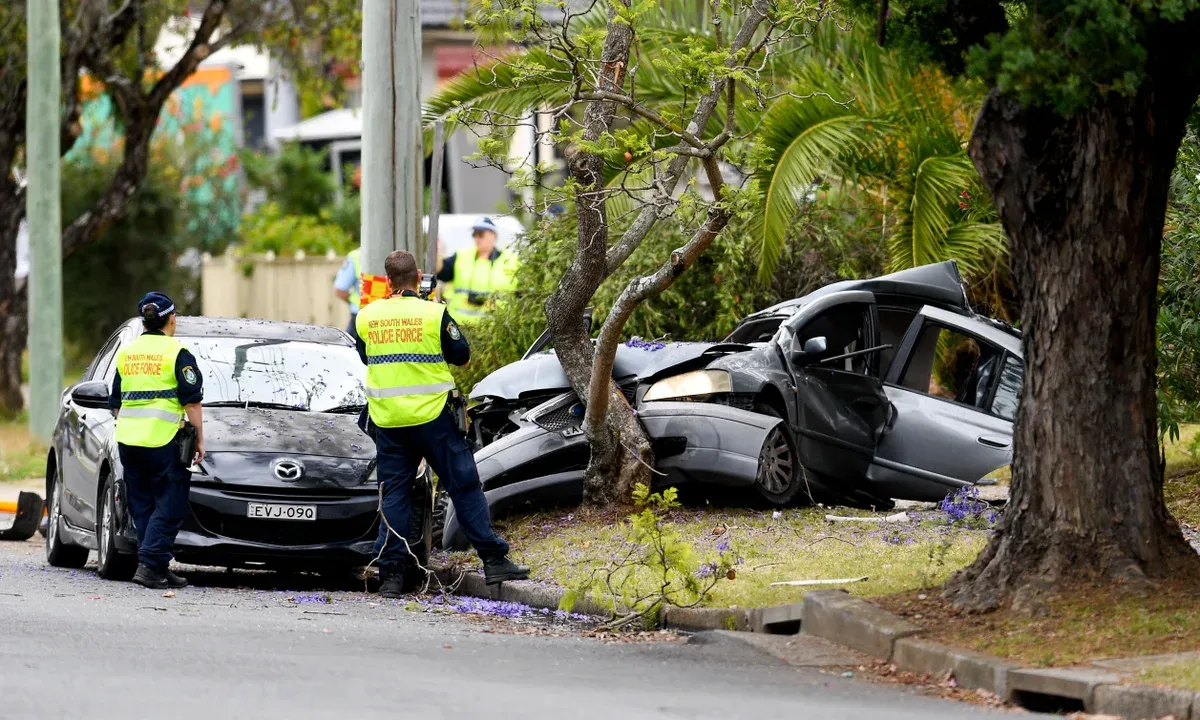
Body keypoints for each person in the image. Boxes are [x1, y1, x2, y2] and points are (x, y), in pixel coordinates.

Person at [356, 250, 528, 598]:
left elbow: (364, 355)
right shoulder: (433, 314)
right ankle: (494, 561)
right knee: (463, 486)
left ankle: (391, 577)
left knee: (395, 496)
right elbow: (461, 355)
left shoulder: (367, 316)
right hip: (434, 419)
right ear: (418, 277)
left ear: (388, 280)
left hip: (389, 422)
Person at [108, 292, 204, 590]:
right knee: (171, 504)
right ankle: (150, 565)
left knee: (143, 505)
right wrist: (198, 438)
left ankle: (158, 565)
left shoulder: (127, 353)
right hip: (163, 442)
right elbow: (192, 401)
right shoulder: (178, 353)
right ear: (171, 319)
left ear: (143, 322)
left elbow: (115, 402)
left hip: (128, 441)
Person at [435, 217, 516, 324]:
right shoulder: (462, 256)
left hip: (494, 331)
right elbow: (440, 271)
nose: (477, 238)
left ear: (494, 235)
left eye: (481, 234)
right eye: (474, 234)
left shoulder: (511, 261)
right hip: (461, 330)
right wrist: (437, 250)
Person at [333, 248, 362, 340]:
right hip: (391, 318)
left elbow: (340, 290)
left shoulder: (356, 256)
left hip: (360, 315)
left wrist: (355, 302)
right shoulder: (398, 251)